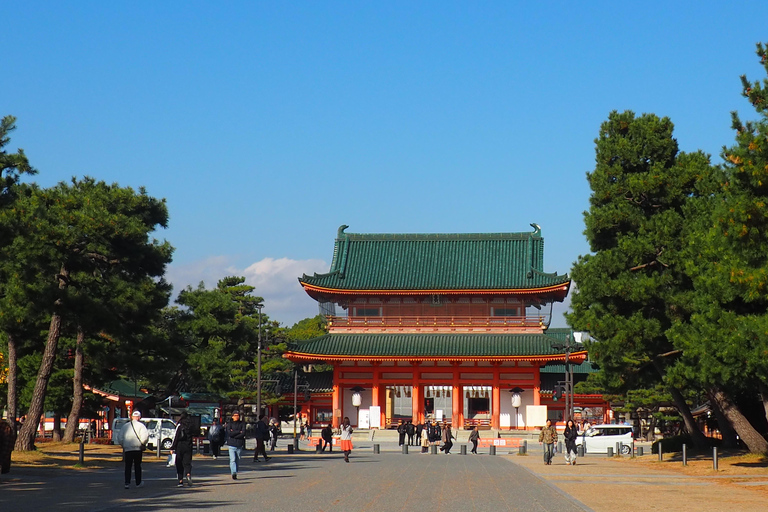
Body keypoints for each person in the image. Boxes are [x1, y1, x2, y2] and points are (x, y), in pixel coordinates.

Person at [120, 411, 149, 489]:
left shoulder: (125, 426)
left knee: (128, 466)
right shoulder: (141, 426)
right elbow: (145, 437)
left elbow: (120, 437)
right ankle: (138, 482)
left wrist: (124, 445)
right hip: (137, 449)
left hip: (128, 449)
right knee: (137, 466)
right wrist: (142, 443)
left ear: (132, 417)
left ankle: (127, 482)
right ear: (139, 417)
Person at [171, 412, 196, 487]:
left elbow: (176, 437)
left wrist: (173, 447)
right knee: (187, 462)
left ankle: (180, 480)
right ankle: (188, 474)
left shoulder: (180, 425)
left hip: (180, 446)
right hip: (188, 446)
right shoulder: (191, 426)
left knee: (179, 463)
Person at [225, 411, 246, 479]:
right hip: (231, 444)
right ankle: (233, 472)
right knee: (232, 459)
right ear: (232, 416)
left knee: (237, 459)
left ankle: (236, 471)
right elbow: (229, 433)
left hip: (239, 444)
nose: (236, 416)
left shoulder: (242, 424)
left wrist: (234, 433)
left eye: (238, 415)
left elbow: (243, 433)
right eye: (235, 415)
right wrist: (238, 432)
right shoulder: (229, 424)